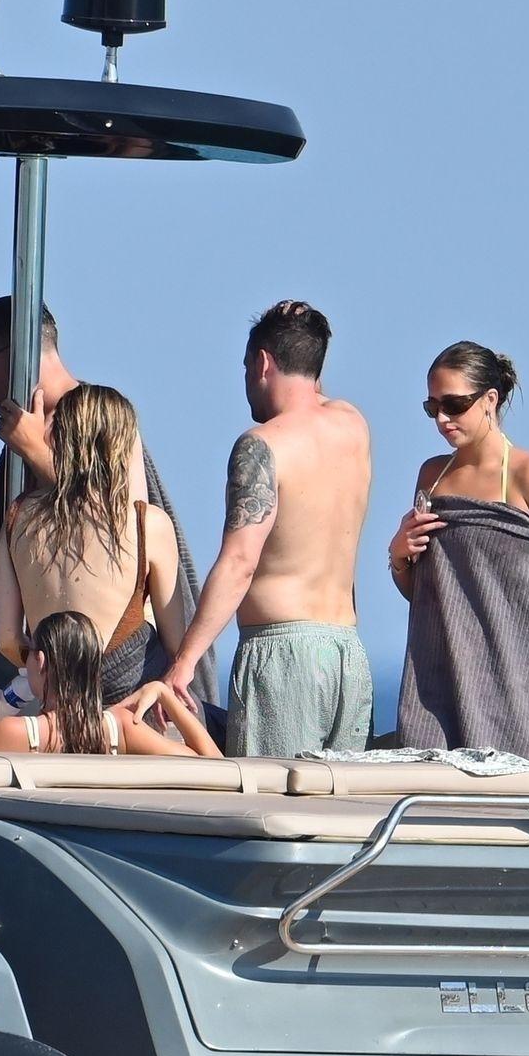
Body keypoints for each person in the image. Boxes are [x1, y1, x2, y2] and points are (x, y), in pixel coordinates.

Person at [0, 297, 218, 703]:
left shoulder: (101, 419)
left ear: (18, 349)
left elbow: (122, 527)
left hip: (124, 665)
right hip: (54, 671)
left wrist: (37, 453)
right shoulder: (21, 434)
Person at [163, 301, 373, 757]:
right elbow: (313, 388)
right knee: (341, 798)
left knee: (271, 792)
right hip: (347, 653)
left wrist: (184, 662)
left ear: (262, 363)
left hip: (283, 657)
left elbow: (240, 561)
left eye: (246, 367)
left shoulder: (260, 446)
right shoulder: (352, 425)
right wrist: (304, 335)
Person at [389, 342, 529, 762]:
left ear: (490, 399)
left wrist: (524, 596)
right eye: (432, 407)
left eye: (454, 405)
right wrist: (399, 556)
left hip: (518, 688)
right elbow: (427, 594)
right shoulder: (432, 476)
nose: (442, 419)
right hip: (436, 690)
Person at [0, 385, 185, 705]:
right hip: (131, 711)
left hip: (57, 706)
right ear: (120, 445)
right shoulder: (146, 523)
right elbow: (176, 645)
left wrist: (56, 674)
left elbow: (7, 639)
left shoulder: (19, 517)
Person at [0, 611, 221, 757]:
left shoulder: (14, 732)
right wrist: (161, 691)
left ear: (40, 661)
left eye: (27, 654)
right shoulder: (121, 726)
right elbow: (214, 762)